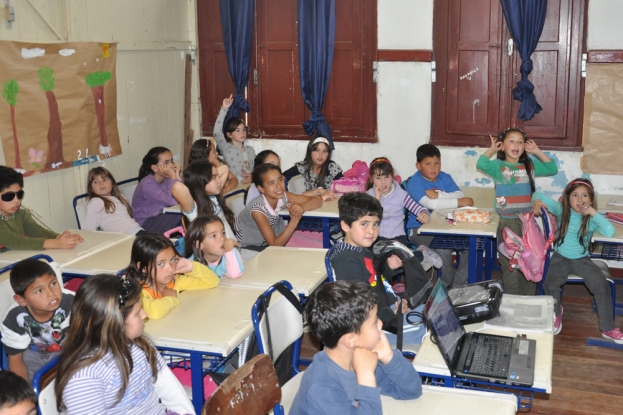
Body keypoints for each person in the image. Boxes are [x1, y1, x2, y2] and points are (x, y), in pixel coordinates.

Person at [54, 274, 195, 414]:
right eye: (138, 312)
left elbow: (169, 388)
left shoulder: (139, 344)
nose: (144, 315)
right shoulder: (83, 379)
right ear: (116, 323)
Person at [290, 281, 422, 414]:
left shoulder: (359, 356)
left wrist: (389, 357)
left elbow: (411, 390)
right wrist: (366, 376)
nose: (381, 323)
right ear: (351, 340)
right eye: (374, 322)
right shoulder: (323, 386)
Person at [329, 192, 428, 345]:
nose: (371, 230)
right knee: (432, 329)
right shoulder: (346, 261)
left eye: (375, 224)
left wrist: (388, 268)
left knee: (434, 311)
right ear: (345, 225)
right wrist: (392, 313)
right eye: (364, 224)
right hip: (377, 328)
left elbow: (372, 279)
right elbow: (359, 310)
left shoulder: (360, 248)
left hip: (388, 311)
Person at [533, 179, 623, 342]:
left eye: (584, 196)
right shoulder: (561, 210)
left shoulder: (592, 218)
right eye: (575, 195)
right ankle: (555, 312)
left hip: (582, 260)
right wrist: (537, 201)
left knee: (602, 286)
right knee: (550, 284)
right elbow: (537, 193)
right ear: (567, 198)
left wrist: (593, 213)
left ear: (591, 200)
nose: (580, 200)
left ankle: (608, 328)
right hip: (560, 258)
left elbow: (609, 231)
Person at [477, 129, 558, 295]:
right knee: (511, 264)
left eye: (520, 142)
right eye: (512, 141)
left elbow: (552, 168)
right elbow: (481, 164)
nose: (516, 145)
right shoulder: (497, 167)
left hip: (526, 223)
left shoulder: (529, 165)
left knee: (529, 261)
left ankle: (527, 297)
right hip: (506, 223)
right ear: (503, 146)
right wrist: (492, 149)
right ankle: (511, 297)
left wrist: (536, 151)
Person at [406, 144, 473, 286]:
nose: (433, 168)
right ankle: (445, 284)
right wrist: (461, 201)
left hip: (445, 226)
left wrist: (439, 195)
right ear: (418, 165)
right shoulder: (414, 183)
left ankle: (458, 284)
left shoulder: (444, 177)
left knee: (473, 246)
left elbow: (459, 194)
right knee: (445, 250)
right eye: (428, 164)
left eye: (437, 163)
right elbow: (431, 205)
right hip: (419, 229)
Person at [1, 259, 74, 382]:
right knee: (27, 386)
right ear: (21, 300)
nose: (51, 293)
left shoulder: (72, 302)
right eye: (39, 290)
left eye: (53, 283)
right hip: (32, 356)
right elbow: (16, 360)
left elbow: (81, 342)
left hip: (68, 349)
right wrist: (24, 394)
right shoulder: (13, 318)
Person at [126, 232, 220, 320]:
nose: (170, 269)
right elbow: (154, 312)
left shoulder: (175, 281)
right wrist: (170, 298)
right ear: (143, 268)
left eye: (172, 260)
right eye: (161, 264)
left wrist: (192, 267)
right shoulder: (137, 291)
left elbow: (212, 281)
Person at [234, 164, 324, 249]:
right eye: (271, 183)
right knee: (318, 247)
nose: (279, 186)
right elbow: (274, 244)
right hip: (251, 248)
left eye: (280, 180)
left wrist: (302, 208)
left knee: (322, 239)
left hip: (275, 237)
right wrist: (294, 220)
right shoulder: (257, 209)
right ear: (261, 188)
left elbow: (317, 200)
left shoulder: (283, 196)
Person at [0, 166, 83, 251]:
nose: (16, 200)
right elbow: (16, 241)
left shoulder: (21, 214)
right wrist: (57, 243)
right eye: (9, 196)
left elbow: (37, 231)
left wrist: (60, 238)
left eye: (19, 194)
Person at [366, 157, 430, 244]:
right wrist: (377, 199)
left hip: (398, 238)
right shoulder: (368, 196)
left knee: (395, 256)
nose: (383, 182)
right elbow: (366, 218)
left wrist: (424, 214)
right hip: (375, 238)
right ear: (371, 178)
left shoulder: (401, 194)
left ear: (392, 176)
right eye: (378, 178)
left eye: (387, 177)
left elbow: (419, 209)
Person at [172, 160, 236, 237]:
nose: (219, 181)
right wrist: (199, 178)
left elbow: (225, 168)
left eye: (218, 176)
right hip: (219, 248)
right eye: (214, 178)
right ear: (201, 181)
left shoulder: (213, 195)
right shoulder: (194, 209)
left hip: (233, 247)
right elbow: (177, 187)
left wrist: (208, 174)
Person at [246, 150, 336, 204]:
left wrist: (318, 192)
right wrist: (319, 197)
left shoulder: (278, 184)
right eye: (271, 165)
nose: (276, 168)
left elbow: (293, 196)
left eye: (278, 165)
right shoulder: (255, 189)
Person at [132, 146, 183, 233]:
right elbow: (174, 200)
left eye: (171, 161)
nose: (171, 165)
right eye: (166, 162)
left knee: (188, 211)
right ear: (155, 168)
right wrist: (172, 176)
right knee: (182, 216)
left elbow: (185, 195)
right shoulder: (147, 184)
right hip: (146, 223)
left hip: (162, 216)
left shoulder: (166, 179)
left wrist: (178, 177)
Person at [84, 166, 143, 234]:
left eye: (105, 179)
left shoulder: (121, 197)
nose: (101, 183)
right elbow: (89, 229)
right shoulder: (96, 202)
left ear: (112, 184)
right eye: (96, 182)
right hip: (126, 237)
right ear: (91, 189)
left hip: (137, 231)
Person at [214, 95, 256, 183]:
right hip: (234, 186)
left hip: (249, 186)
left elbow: (257, 168)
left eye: (244, 130)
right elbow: (217, 132)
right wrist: (224, 109)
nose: (242, 133)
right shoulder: (226, 148)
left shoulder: (250, 150)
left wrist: (253, 176)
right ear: (229, 134)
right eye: (237, 130)